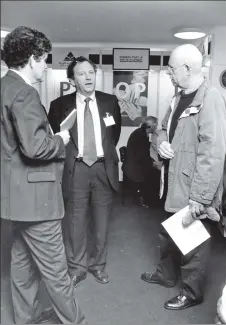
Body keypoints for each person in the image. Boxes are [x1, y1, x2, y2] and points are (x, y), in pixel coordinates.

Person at [1, 26, 85, 324]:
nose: (47, 65)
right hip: (38, 202)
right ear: (31, 58)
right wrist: (61, 139)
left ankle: (28, 317)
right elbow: (35, 148)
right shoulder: (24, 92)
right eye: (44, 59)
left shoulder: (4, 87)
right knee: (56, 272)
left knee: (22, 265)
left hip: (16, 199)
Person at [141, 44, 226, 310]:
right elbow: (162, 129)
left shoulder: (211, 98)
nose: (168, 73)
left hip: (193, 188)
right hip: (172, 182)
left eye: (171, 68)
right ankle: (166, 275)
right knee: (168, 231)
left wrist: (200, 197)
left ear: (188, 69)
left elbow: (213, 152)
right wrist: (162, 142)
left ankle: (192, 293)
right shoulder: (178, 98)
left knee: (194, 243)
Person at [48, 56, 121, 286]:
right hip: (76, 169)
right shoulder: (59, 106)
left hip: (102, 168)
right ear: (72, 80)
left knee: (102, 222)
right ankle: (77, 267)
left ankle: (98, 265)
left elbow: (113, 135)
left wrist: (102, 155)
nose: (88, 77)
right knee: (75, 222)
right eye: (82, 73)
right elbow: (56, 138)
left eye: (91, 72)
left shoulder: (110, 102)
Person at [122, 116, 158, 207]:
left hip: (131, 164)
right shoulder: (141, 135)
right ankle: (149, 201)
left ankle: (148, 198)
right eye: (156, 125)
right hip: (134, 168)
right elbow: (142, 156)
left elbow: (142, 153)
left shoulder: (139, 132)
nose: (157, 127)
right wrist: (153, 163)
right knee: (156, 173)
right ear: (151, 126)